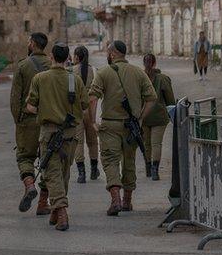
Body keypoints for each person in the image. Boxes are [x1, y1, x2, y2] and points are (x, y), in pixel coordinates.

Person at [25, 43, 89, 231]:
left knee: (52, 174)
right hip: (70, 135)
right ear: (67, 57)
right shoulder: (75, 79)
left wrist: (45, 110)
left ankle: (61, 212)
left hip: (49, 134)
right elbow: (84, 104)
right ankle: (55, 210)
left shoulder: (40, 78)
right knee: (63, 173)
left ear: (51, 56)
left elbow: (30, 106)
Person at [89, 40, 156, 215]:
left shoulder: (103, 72)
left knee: (110, 160)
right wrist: (140, 118)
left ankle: (115, 200)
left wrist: (93, 122)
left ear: (112, 54)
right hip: (131, 126)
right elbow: (151, 98)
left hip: (110, 125)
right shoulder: (138, 73)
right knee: (129, 161)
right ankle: (127, 201)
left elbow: (93, 98)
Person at [10, 32, 52, 215]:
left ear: (33, 44)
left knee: (25, 157)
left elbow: (15, 98)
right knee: (48, 162)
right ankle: (43, 203)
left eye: (29, 41)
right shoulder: (53, 66)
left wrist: (18, 119)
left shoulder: (23, 66)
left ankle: (29, 185)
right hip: (50, 122)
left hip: (27, 120)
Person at [141, 53, 176, 182]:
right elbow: (170, 101)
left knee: (146, 144)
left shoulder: (140, 78)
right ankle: (155, 171)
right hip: (159, 118)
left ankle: (148, 169)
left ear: (143, 63)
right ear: (155, 63)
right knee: (156, 143)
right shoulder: (163, 79)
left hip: (143, 116)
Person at [72, 45, 100, 184]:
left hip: (76, 111)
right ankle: (94, 170)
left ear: (76, 57)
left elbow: (70, 95)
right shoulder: (94, 71)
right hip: (90, 110)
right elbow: (97, 93)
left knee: (78, 142)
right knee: (92, 141)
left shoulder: (71, 72)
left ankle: (81, 173)